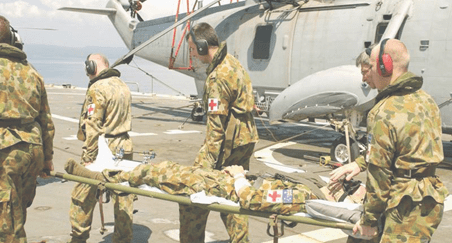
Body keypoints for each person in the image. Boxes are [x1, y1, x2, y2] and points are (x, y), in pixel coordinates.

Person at [329, 39, 449, 242]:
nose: (370, 73)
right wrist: (360, 163)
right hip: (428, 202)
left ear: (385, 67)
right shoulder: (427, 101)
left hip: (401, 207)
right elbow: (407, 150)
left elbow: (380, 176)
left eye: (373, 66)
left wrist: (369, 220)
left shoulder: (383, 112)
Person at [181, 22, 259, 242]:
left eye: (193, 49)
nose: (192, 54)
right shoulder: (232, 63)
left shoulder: (217, 77)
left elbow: (216, 130)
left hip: (229, 144)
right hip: (245, 140)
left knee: (192, 198)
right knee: (234, 193)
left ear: (203, 46)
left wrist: (203, 170)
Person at [68, 53, 135, 243]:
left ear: (91, 67)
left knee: (82, 194)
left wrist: (89, 156)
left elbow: (93, 125)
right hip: (124, 146)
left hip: (102, 149)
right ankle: (123, 239)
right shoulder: (123, 85)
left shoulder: (97, 88)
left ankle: (78, 237)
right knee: (123, 197)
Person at [0, 16, 55, 242]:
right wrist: (47, 159)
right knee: (16, 212)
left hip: (5, 153)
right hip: (32, 151)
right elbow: (46, 121)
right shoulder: (31, 72)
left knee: (7, 228)